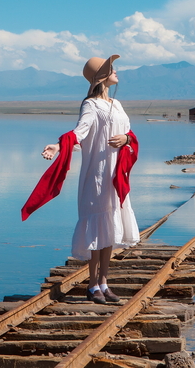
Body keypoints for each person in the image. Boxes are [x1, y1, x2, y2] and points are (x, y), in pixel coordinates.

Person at [35, 54, 139, 304]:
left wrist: (126, 139)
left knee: (110, 231)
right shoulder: (91, 105)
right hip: (97, 175)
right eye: (111, 69)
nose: (116, 72)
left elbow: (128, 133)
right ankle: (92, 286)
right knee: (97, 231)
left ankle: (104, 282)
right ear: (101, 77)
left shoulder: (117, 104)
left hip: (116, 175)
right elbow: (79, 133)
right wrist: (58, 145)